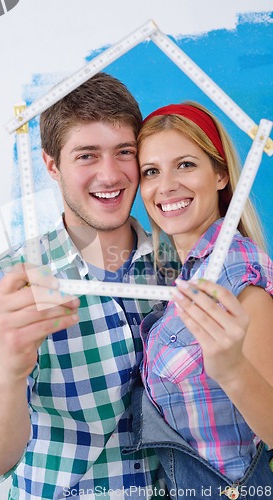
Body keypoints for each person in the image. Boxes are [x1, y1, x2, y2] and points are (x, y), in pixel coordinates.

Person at [0, 73, 175, 499]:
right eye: (87, 156)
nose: (109, 175)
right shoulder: (12, 283)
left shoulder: (181, 265)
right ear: (52, 166)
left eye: (124, 152)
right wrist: (9, 366)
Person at [123, 102, 273, 499]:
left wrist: (234, 370)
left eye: (185, 165)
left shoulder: (239, 275)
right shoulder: (187, 272)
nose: (166, 185)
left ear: (221, 174)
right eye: (151, 171)